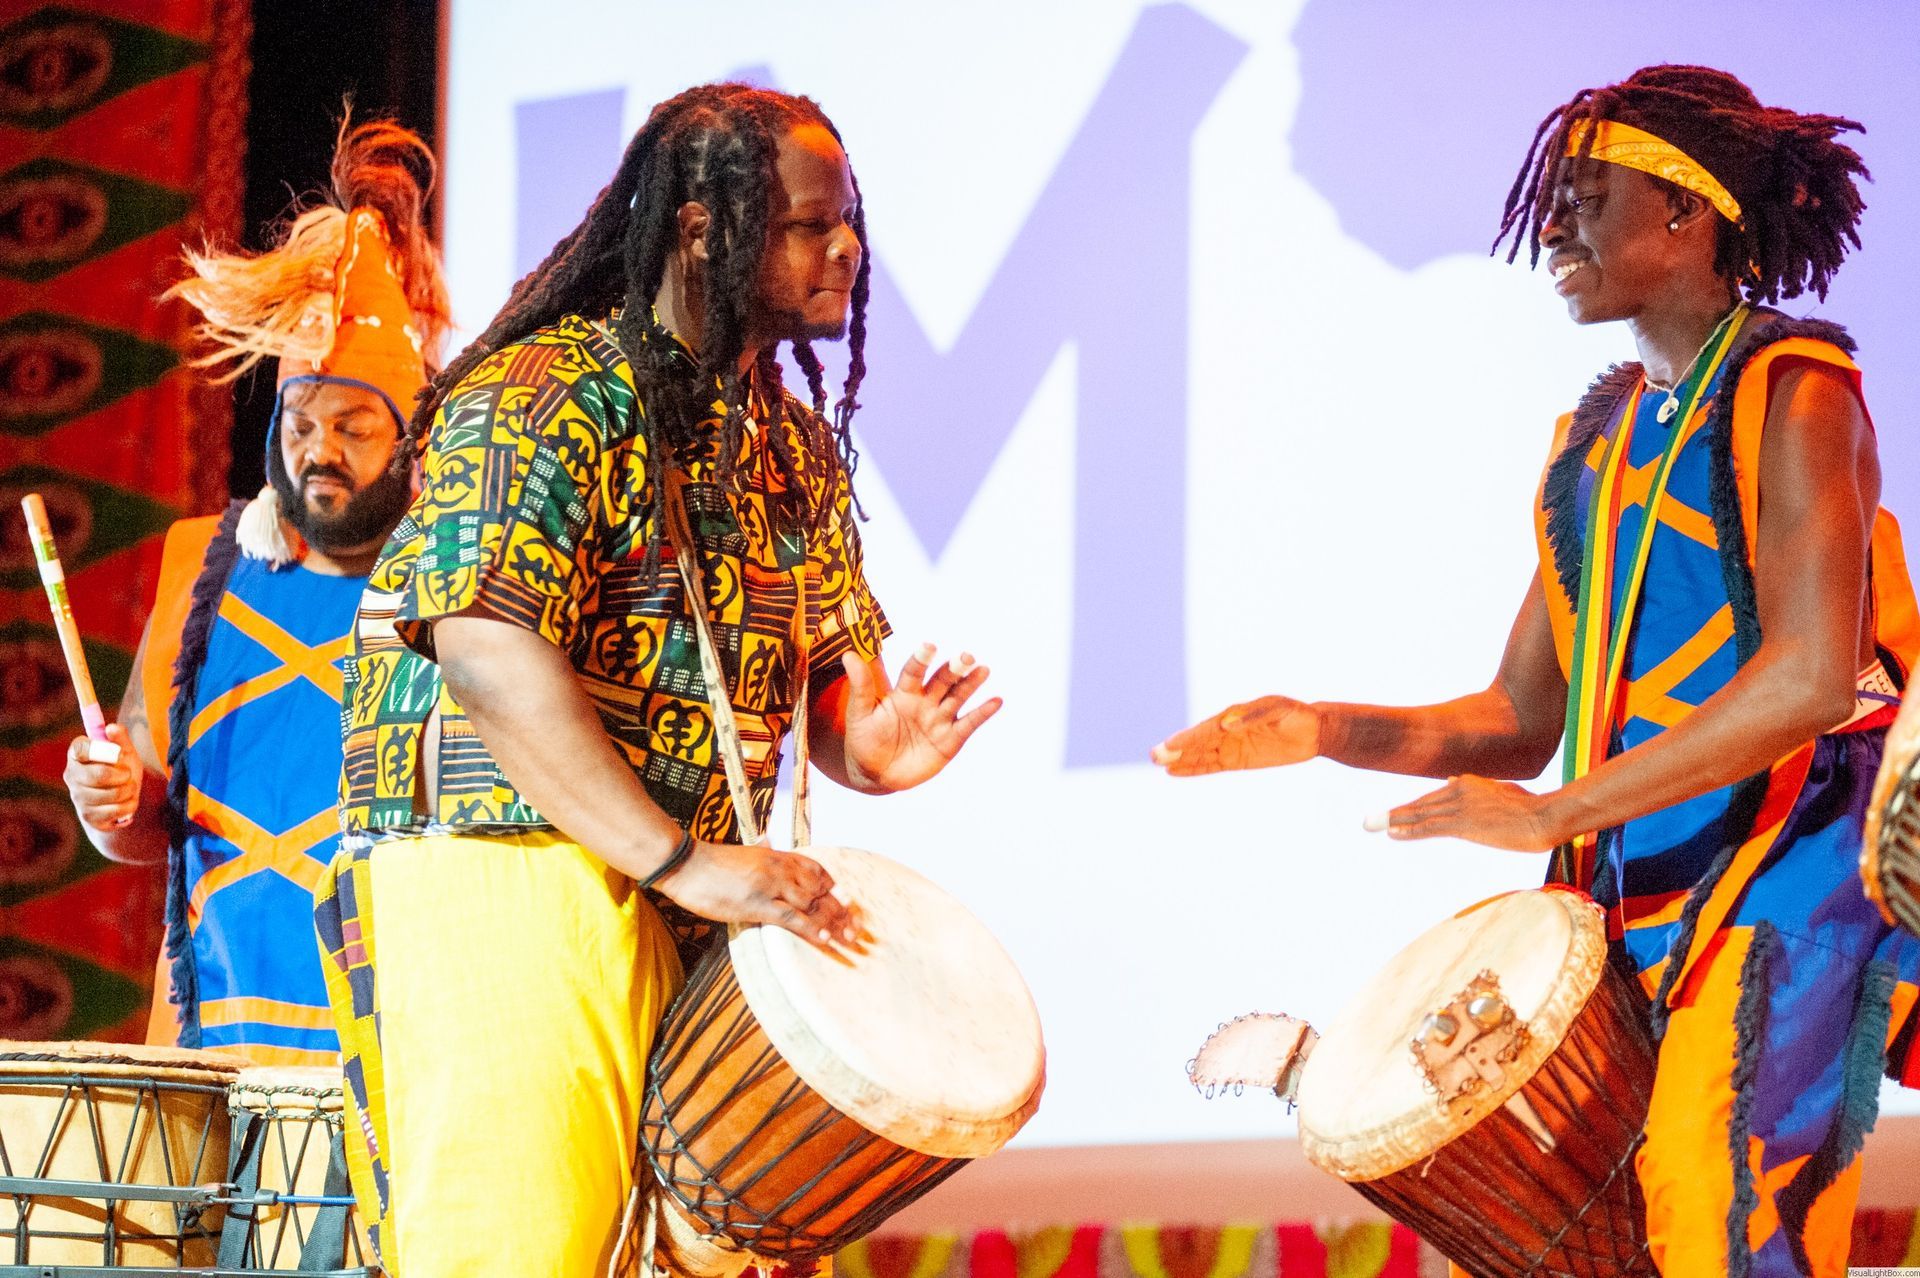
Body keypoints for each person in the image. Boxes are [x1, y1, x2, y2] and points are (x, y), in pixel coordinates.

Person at [1155, 66, 1920, 1277]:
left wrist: (1559, 809)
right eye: (1555, 199)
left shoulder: (1796, 389)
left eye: (1586, 196)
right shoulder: (1593, 443)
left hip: (1790, 869)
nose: (1553, 226)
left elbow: (1817, 675)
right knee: (1609, 1223)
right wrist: (1322, 726)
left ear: (1687, 213)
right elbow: (1522, 716)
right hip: (1634, 883)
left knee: (1715, 1196)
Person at [314, 83, 1001, 1277]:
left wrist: (885, 740)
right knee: (514, 1245)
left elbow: (839, 700)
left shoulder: (784, 442)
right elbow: (482, 646)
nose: (844, 247)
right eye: (805, 223)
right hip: (500, 856)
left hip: (675, 887)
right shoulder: (544, 394)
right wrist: (686, 861)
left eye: (847, 222)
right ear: (699, 226)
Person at [60, 118, 448, 1065]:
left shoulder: (452, 579)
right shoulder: (205, 564)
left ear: (412, 438)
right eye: (303, 420)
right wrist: (106, 800)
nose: (320, 449)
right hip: (211, 1058)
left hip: (394, 1063)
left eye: (356, 426)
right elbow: (152, 821)